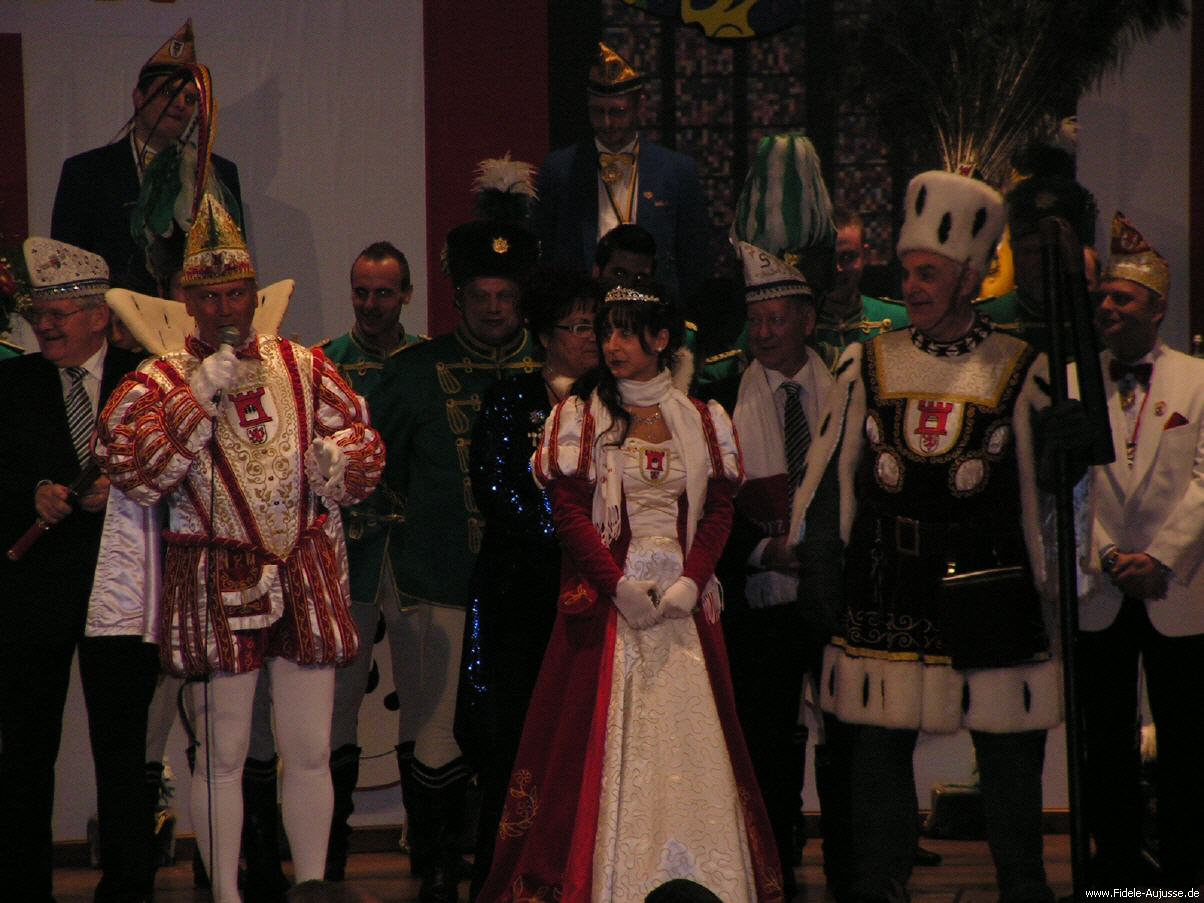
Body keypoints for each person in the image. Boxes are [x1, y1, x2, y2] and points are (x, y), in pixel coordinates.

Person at [94, 198, 383, 903]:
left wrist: (338, 462)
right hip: (213, 571)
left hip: (302, 563)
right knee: (221, 752)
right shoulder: (156, 380)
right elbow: (136, 470)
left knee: (309, 748)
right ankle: (224, 893)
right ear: (186, 302)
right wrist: (194, 398)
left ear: (255, 294)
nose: (224, 309)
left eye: (236, 294)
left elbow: (363, 441)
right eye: (209, 297)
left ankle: (311, 885)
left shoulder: (304, 365)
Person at [790, 171, 1060, 903]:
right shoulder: (867, 363)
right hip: (888, 583)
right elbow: (831, 481)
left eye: (928, 274)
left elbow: (1048, 495)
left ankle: (1024, 890)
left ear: (969, 278)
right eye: (907, 273)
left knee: (1010, 768)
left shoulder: (1021, 368)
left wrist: (1066, 447)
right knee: (876, 765)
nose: (909, 287)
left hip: (992, 584)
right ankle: (880, 887)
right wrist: (823, 569)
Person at [480, 284, 782, 903]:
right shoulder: (581, 416)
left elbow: (719, 509)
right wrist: (616, 586)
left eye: (624, 332)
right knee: (598, 741)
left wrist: (692, 581)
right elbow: (569, 512)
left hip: (683, 608)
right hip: (610, 603)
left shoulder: (702, 418)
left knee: (692, 738)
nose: (610, 345)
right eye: (605, 331)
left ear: (661, 340)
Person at [386, 208, 540, 902]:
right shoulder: (412, 373)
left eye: (505, 295)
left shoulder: (555, 371)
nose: (493, 308)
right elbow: (379, 469)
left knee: (527, 729)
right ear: (457, 298)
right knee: (438, 728)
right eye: (481, 295)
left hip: (531, 589)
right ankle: (439, 861)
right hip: (441, 579)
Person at [0, 239, 151, 903]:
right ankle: (23, 885)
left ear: (98, 316)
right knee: (26, 749)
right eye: (38, 314)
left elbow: (181, 469)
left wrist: (124, 489)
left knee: (122, 747)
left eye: (58, 313)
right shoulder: (12, 385)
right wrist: (30, 493)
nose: (45, 325)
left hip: (121, 592)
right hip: (33, 595)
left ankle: (129, 885)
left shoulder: (147, 382)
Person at [455, 269, 600, 899]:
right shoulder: (510, 400)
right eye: (579, 326)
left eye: (599, 327)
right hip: (523, 592)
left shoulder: (616, 403)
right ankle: (502, 875)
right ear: (545, 335)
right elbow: (497, 489)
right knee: (515, 738)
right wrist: (573, 534)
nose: (593, 339)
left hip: (598, 592)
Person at [1078, 213, 1204, 891]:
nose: (1107, 306)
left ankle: (1184, 871)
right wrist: (1105, 556)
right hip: (1101, 588)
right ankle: (1116, 869)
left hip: (1176, 588)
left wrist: (1160, 558)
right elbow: (1064, 484)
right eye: (1103, 295)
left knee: (1186, 738)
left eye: (1121, 298)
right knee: (1105, 740)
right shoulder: (1074, 381)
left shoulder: (1198, 380)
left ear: (1157, 308)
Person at [706, 241, 833, 900]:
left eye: (777, 318)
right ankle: (773, 864)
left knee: (847, 739)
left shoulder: (849, 391)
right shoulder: (719, 399)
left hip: (836, 598)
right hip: (758, 603)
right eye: (755, 320)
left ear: (807, 321)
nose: (763, 332)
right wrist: (764, 551)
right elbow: (709, 505)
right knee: (766, 743)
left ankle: (856, 866)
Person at [317, 241, 426, 880]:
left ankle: (427, 851)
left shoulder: (427, 361)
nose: (371, 303)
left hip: (413, 557)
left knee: (422, 702)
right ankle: (327, 852)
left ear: (406, 294)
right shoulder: (324, 364)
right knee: (336, 705)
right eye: (361, 291)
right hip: (345, 557)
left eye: (384, 292)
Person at [51, 20, 242, 296]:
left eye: (190, 100)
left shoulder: (216, 172)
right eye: (168, 93)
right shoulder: (87, 172)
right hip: (113, 317)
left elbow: (235, 268)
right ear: (139, 98)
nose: (180, 104)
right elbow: (66, 268)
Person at [536, 43, 708, 304]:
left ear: (640, 107)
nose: (607, 123)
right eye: (598, 112)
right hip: (582, 305)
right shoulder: (560, 168)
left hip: (655, 306)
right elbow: (546, 250)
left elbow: (693, 256)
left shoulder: (677, 170)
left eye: (617, 112)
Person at [813, 208, 908, 371]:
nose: (837, 268)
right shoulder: (796, 329)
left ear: (865, 255)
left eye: (847, 257)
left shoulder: (901, 320)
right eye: (828, 259)